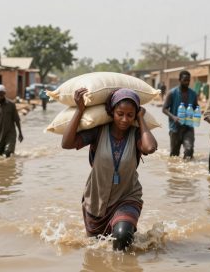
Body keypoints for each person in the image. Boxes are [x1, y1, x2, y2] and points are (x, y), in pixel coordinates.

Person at [62, 88, 157, 251]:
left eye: (130, 115)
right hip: (96, 201)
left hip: (127, 197)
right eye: (120, 113)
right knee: (96, 248)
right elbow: (67, 143)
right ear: (112, 112)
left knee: (122, 236)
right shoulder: (98, 131)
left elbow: (150, 147)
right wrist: (80, 110)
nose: (125, 119)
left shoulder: (136, 135)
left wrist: (141, 118)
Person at [162, 70, 198, 159]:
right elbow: (164, 109)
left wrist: (197, 113)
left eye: (188, 80)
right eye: (185, 80)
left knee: (189, 150)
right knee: (174, 155)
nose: (187, 82)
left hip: (188, 127)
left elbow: (196, 107)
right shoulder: (172, 93)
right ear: (179, 80)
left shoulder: (193, 94)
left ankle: (187, 171)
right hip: (175, 128)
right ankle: (175, 171)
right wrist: (173, 117)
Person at [0, 84, 24, 157]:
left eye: (1, 95)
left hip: (10, 134)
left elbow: (17, 120)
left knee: (7, 152)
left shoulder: (11, 104)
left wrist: (20, 133)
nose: (0, 97)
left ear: (4, 93)